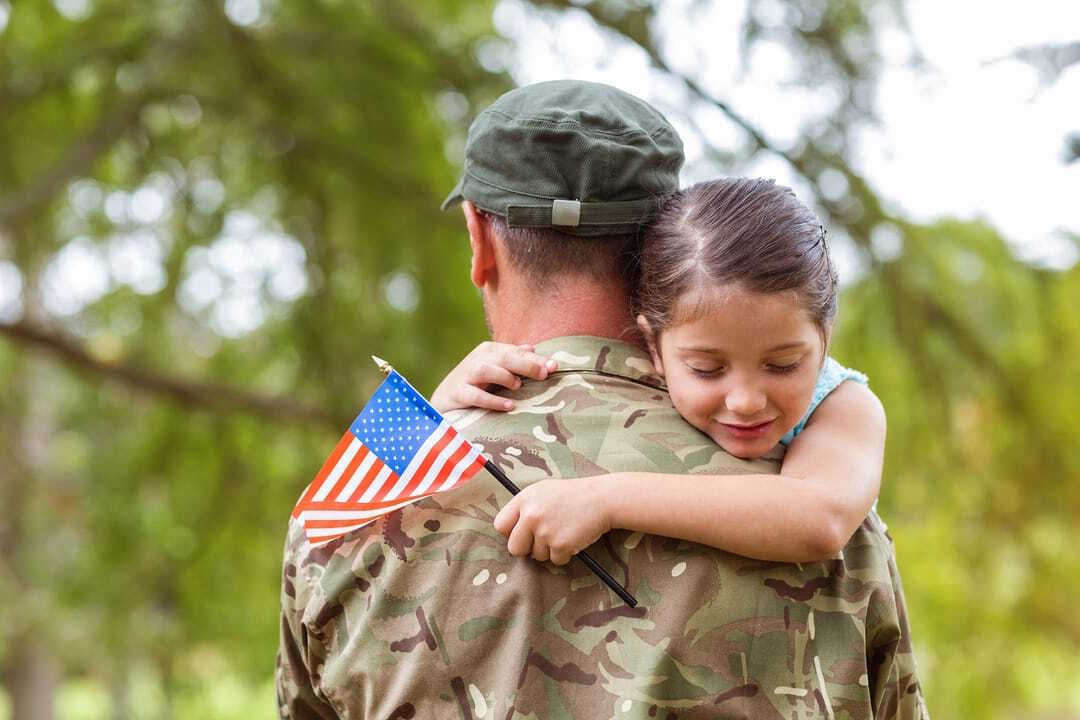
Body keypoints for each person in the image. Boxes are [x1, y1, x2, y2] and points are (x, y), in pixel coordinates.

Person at [277, 80, 928, 719]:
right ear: (660, 249)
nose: (746, 399)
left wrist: (442, 423)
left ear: (479, 241)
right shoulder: (818, 505)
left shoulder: (349, 508)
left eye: (781, 364)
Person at [431, 177, 885, 566]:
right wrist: (441, 407)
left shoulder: (843, 405)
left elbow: (820, 519)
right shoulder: (637, 381)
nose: (746, 400)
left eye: (783, 364)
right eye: (707, 369)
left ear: (824, 339)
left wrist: (604, 500)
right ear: (653, 346)